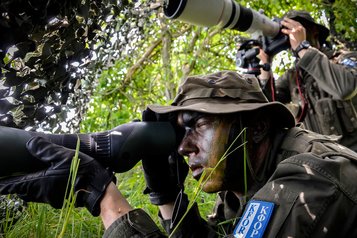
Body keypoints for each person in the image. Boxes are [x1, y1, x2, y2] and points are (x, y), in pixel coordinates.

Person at [1, 70, 357, 237]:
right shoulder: (247, 179)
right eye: (178, 133)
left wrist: (105, 199)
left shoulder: (309, 180)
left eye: (196, 126)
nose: (183, 146)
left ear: (258, 126)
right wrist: (167, 196)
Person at [258, 10, 357, 152]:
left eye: (297, 27)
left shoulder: (343, 59)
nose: (290, 33)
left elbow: (346, 88)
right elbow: (267, 107)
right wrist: (265, 66)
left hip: (352, 156)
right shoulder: (292, 76)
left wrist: (302, 48)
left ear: (314, 30)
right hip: (318, 160)